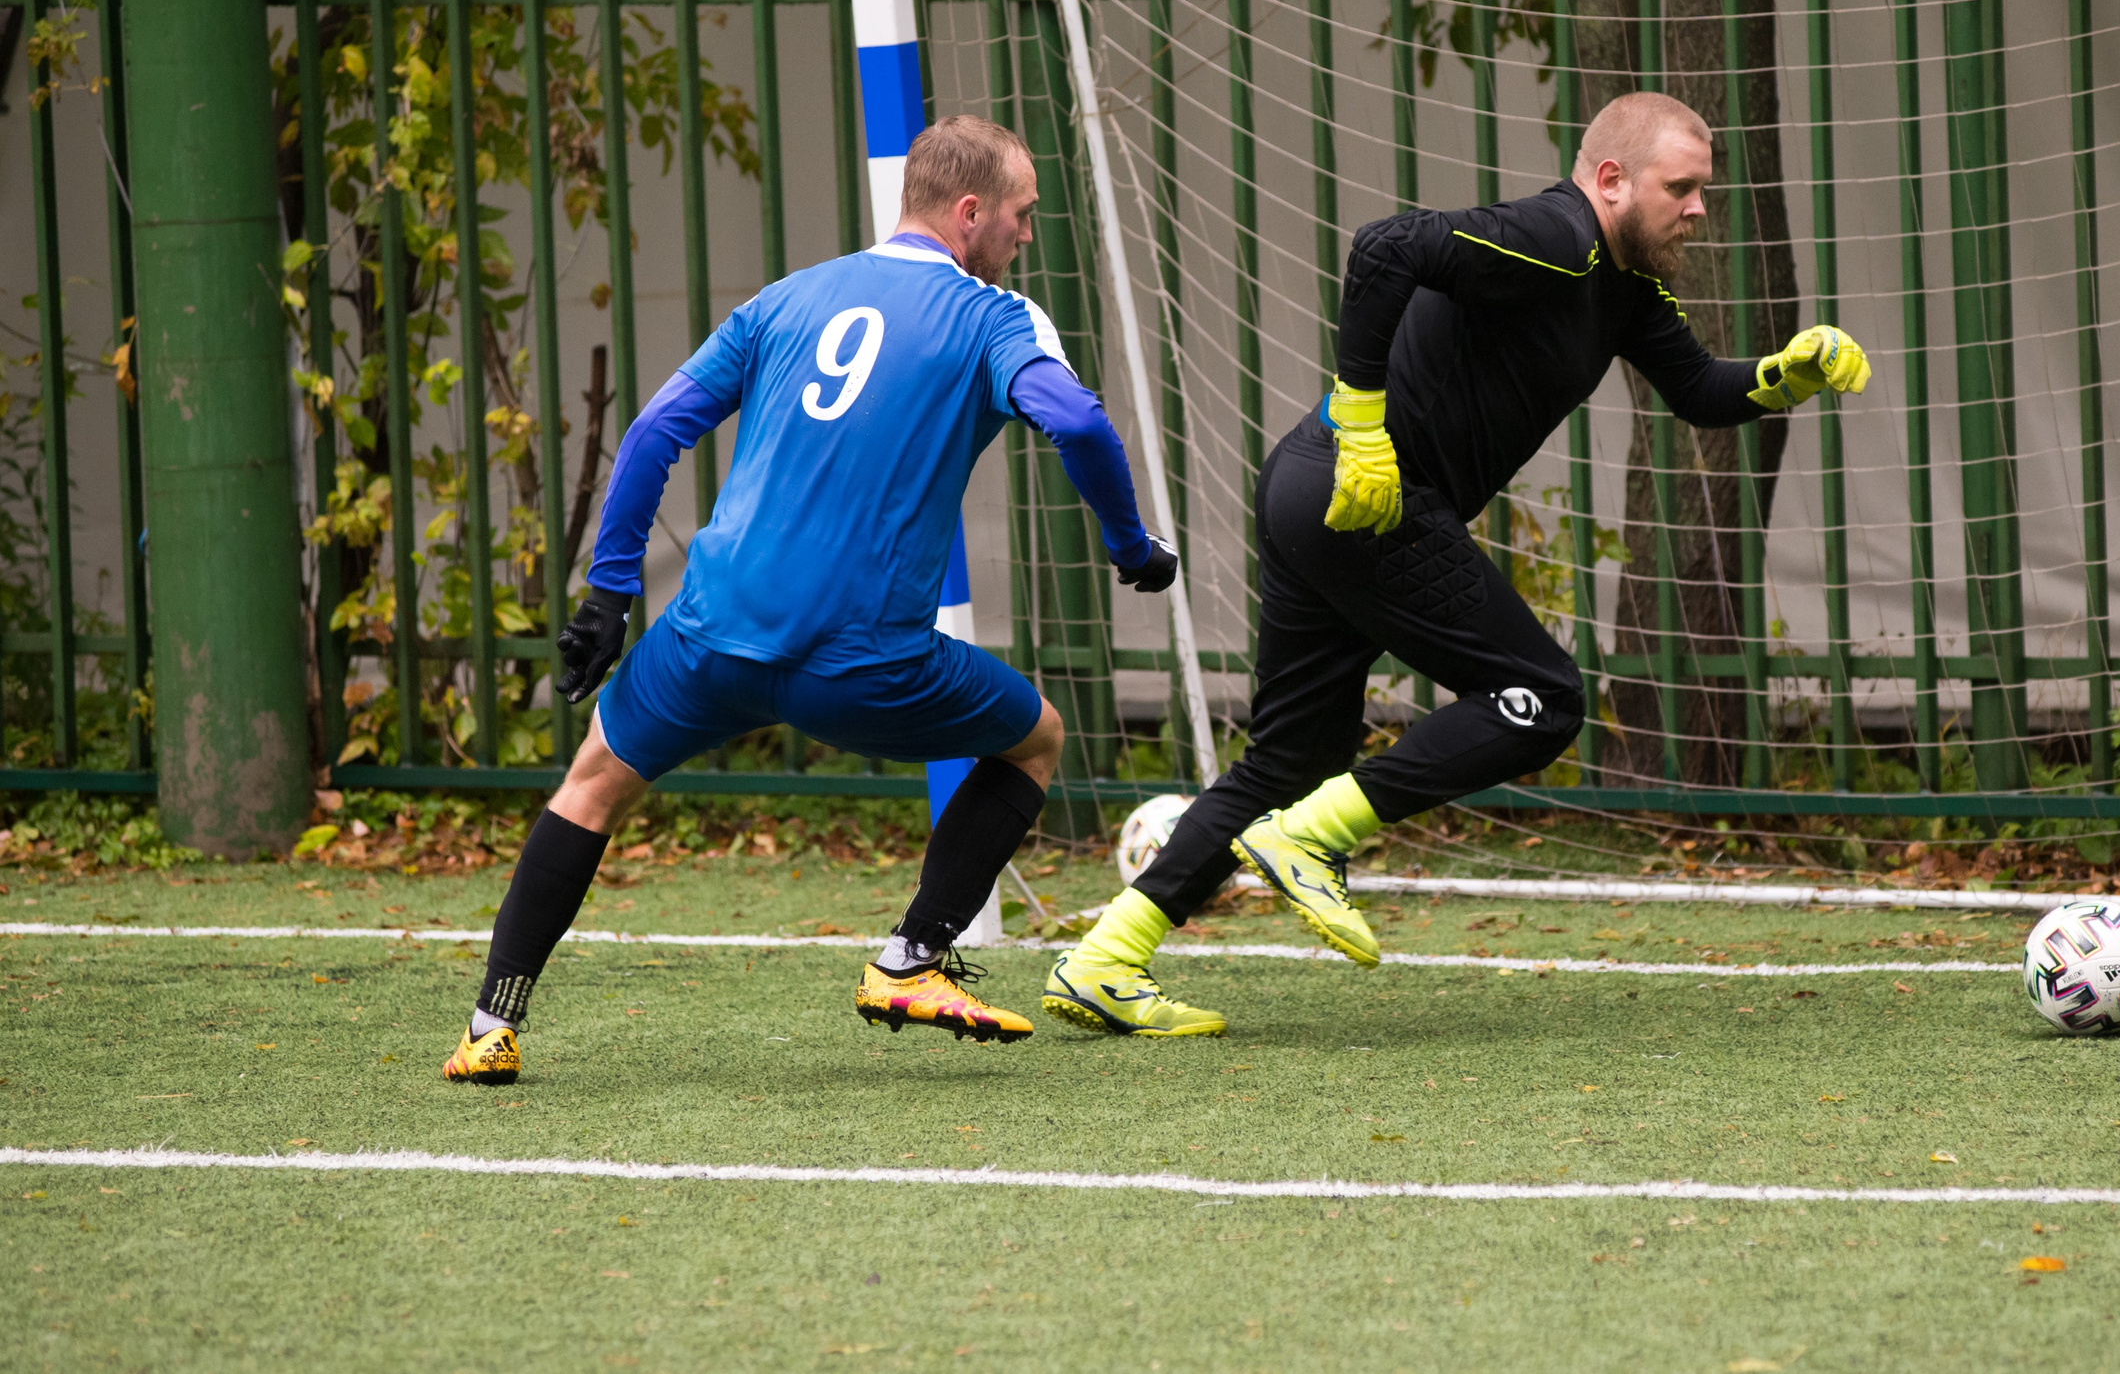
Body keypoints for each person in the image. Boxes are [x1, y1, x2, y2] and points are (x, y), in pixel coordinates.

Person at [1042, 91, 1870, 1038]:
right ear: (1609, 180)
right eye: (1680, 188)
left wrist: (1787, 374)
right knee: (1543, 696)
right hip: (1362, 494)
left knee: (1296, 754)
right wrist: (1363, 424)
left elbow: (1699, 391)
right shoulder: (1557, 235)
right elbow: (1385, 247)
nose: (1696, 208)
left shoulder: (1623, 287)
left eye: (1701, 191)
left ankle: (1106, 955)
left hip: (1317, 492)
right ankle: (1310, 837)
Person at [443, 114, 1178, 1085]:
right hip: (862, 660)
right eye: (1020, 214)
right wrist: (1132, 544)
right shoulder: (997, 316)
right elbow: (1077, 420)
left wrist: (609, 596)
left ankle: (490, 1024)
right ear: (968, 213)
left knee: (589, 785)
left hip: (710, 637)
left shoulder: (788, 299)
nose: (1026, 235)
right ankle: (911, 957)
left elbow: (656, 429)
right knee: (1035, 737)